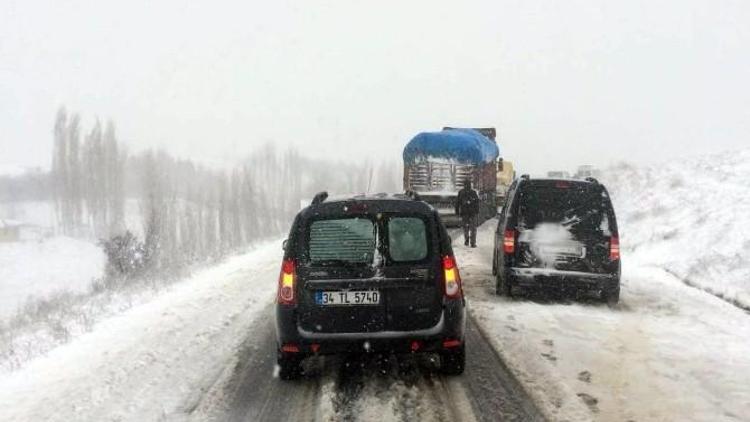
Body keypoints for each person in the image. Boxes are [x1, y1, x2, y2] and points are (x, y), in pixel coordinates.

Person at [455, 180, 480, 247]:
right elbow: (477, 203)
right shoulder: (473, 192)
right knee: (473, 228)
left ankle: (466, 240)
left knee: (465, 227)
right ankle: (473, 242)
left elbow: (457, 203)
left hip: (464, 213)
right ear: (470, 185)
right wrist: (477, 211)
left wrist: (457, 212)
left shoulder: (461, 192)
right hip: (472, 213)